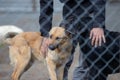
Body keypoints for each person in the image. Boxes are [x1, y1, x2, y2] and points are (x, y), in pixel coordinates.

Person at [39, 0, 120, 80]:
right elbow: (46, 6)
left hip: (91, 11)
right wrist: (45, 36)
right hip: (70, 13)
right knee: (61, 61)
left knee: (89, 64)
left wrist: (98, 24)